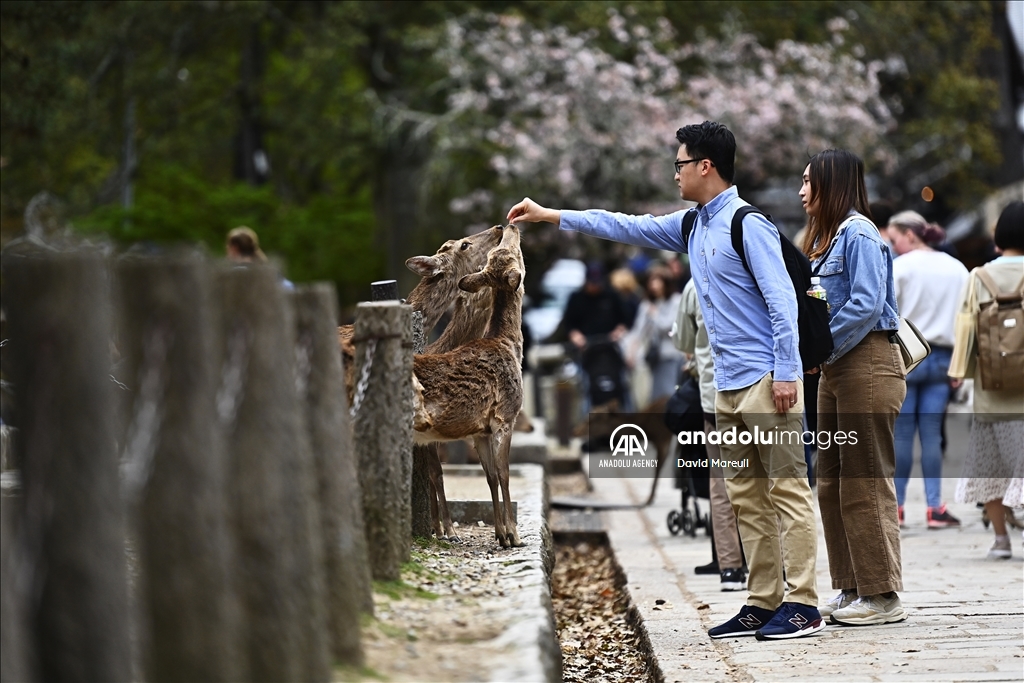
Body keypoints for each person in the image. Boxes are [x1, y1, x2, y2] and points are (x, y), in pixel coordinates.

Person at [508, 120, 823, 641]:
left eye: (679, 164)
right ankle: (763, 601)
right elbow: (625, 226)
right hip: (725, 384)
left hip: (768, 381)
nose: (674, 174)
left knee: (787, 491)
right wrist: (552, 215)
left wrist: (788, 372)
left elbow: (782, 302)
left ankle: (803, 603)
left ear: (705, 166)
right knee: (745, 495)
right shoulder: (692, 226)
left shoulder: (749, 225)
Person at [798, 149, 907, 627]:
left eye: (807, 182)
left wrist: (819, 348)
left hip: (865, 361)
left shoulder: (860, 233)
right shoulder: (827, 238)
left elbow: (866, 304)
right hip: (836, 368)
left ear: (831, 184)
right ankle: (851, 587)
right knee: (832, 482)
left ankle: (882, 595)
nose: (801, 191)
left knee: (865, 480)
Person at [950, 200, 1024, 559]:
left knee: (991, 467)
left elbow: (966, 329)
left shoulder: (978, 277)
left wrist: (959, 373)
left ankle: (1000, 540)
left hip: (990, 389)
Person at [887, 211, 969, 529]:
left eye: (894, 240)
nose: (892, 246)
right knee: (932, 435)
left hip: (907, 355)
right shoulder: (956, 268)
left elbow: (890, 313)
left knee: (904, 434)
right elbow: (966, 317)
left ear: (909, 235)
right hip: (945, 357)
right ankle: (935, 508)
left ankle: (898, 507)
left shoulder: (900, 267)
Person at [675, 277, 746, 591]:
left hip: (713, 398)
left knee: (721, 484)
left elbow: (683, 343)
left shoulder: (693, 286)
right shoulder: (751, 271)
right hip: (755, 390)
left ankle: (730, 567)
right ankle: (774, 565)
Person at [560, 261, 632, 412]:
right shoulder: (576, 298)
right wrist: (577, 337)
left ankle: (628, 419)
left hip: (611, 349)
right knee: (586, 388)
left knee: (623, 386)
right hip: (587, 350)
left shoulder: (612, 296)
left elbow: (625, 320)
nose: (594, 286)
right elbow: (569, 324)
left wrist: (617, 333)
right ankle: (588, 424)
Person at [625, 267, 684, 403]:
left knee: (669, 393)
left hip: (672, 354)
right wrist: (631, 352)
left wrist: (655, 315)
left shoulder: (676, 301)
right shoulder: (647, 304)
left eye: (658, 282)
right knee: (654, 395)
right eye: (651, 282)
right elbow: (638, 330)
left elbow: (670, 327)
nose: (654, 286)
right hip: (654, 356)